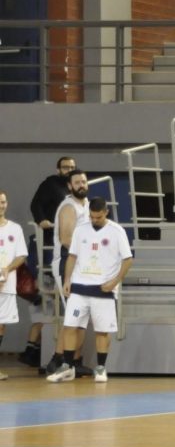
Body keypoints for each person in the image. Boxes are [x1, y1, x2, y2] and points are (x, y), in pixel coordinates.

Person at [45, 198, 133, 384]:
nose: (94, 220)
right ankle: (67, 367)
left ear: (106, 212)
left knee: (102, 331)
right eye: (92, 217)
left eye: (98, 217)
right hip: (79, 288)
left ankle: (101, 368)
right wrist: (68, 279)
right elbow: (72, 256)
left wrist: (115, 282)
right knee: (70, 326)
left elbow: (127, 260)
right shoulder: (81, 229)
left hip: (103, 290)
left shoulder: (117, 231)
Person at [24, 156, 76, 369]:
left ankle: (35, 352)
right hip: (50, 243)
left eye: (72, 167)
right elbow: (36, 204)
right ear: (58, 169)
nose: (69, 170)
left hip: (68, 249)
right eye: (66, 167)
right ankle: (36, 352)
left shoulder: (75, 190)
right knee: (44, 301)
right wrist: (41, 220)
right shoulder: (50, 185)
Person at [50, 169, 91, 377]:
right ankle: (58, 360)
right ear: (70, 186)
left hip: (84, 265)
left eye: (84, 181)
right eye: (77, 182)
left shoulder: (88, 204)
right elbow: (67, 240)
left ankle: (75, 360)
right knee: (73, 316)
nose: (81, 185)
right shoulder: (68, 206)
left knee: (80, 315)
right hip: (67, 262)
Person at [0, 190, 28, 380]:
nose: (1, 205)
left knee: (1, 325)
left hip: (6, 285)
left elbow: (22, 255)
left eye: (3, 202)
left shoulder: (15, 229)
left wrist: (7, 269)